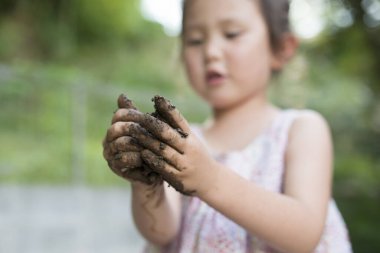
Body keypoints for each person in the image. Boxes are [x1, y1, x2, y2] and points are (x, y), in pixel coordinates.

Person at [103, 0, 353, 252]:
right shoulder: (187, 141)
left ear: (280, 48)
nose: (211, 51)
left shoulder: (301, 129)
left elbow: (305, 233)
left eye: (231, 34)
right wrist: (146, 184)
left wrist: (209, 179)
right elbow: (161, 233)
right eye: (195, 40)